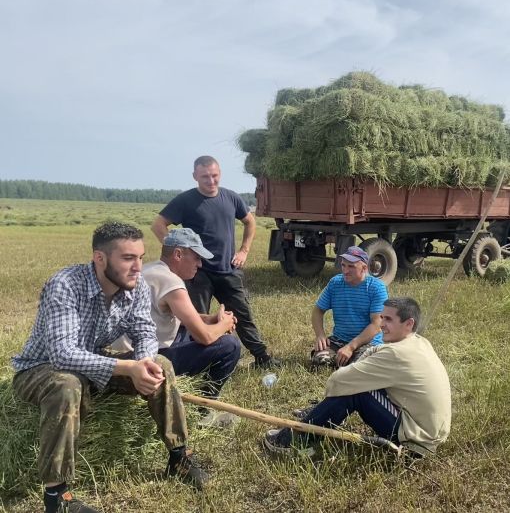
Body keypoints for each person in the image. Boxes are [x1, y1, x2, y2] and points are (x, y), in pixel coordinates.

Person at [12, 222, 209, 513]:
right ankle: (57, 497)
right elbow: (63, 354)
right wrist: (127, 366)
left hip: (92, 362)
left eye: (141, 257)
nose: (138, 267)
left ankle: (179, 456)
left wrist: (143, 363)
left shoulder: (137, 285)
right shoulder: (65, 285)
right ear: (100, 258)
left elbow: (144, 332)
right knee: (68, 385)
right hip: (41, 367)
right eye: (128, 258)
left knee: (161, 364)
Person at [265, 297, 452, 458]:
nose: (381, 324)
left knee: (355, 392)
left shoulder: (396, 354)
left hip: (415, 441)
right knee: (359, 384)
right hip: (429, 433)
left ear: (408, 323)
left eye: (388, 319)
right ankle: (317, 417)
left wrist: (341, 387)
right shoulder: (419, 342)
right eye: (381, 317)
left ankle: (292, 441)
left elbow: (337, 381)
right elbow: (376, 350)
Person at [151, 155, 278, 369]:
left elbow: (250, 221)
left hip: (229, 269)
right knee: (196, 319)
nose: (211, 181)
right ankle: (201, 362)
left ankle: (263, 358)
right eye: (205, 177)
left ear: (220, 174)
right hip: (198, 272)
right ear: (195, 177)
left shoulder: (231, 198)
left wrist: (244, 251)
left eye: (214, 176)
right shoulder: (186, 200)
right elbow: (158, 225)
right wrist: (176, 250)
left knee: (243, 315)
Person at [112, 227, 241, 428]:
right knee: (230, 345)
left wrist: (211, 318)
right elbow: (205, 338)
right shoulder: (171, 281)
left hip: (124, 354)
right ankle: (203, 411)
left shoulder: (151, 270)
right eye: (196, 257)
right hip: (148, 359)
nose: (200, 264)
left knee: (189, 330)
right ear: (178, 254)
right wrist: (223, 325)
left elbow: (177, 315)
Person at [311, 246, 388, 367]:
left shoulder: (376, 287)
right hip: (339, 340)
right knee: (319, 362)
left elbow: (377, 324)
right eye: (343, 265)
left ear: (364, 268)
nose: (345, 271)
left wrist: (351, 347)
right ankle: (342, 361)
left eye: (351, 266)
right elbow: (318, 310)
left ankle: (349, 363)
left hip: (368, 342)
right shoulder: (335, 283)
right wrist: (320, 335)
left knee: (358, 367)